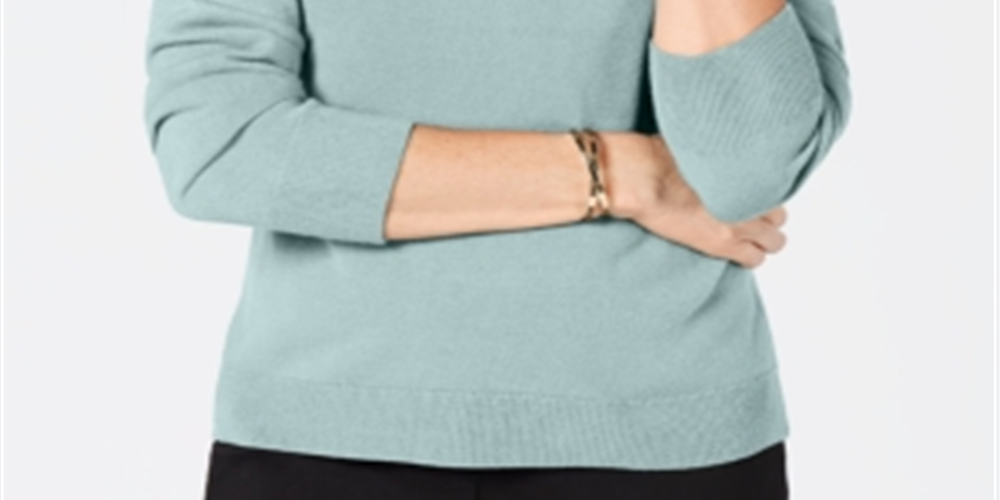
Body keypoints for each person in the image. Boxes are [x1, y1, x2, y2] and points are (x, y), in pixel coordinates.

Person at [142, 0, 851, 498]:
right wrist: (614, 173)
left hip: (667, 437)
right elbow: (220, 144)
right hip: (325, 437)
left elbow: (744, 169)